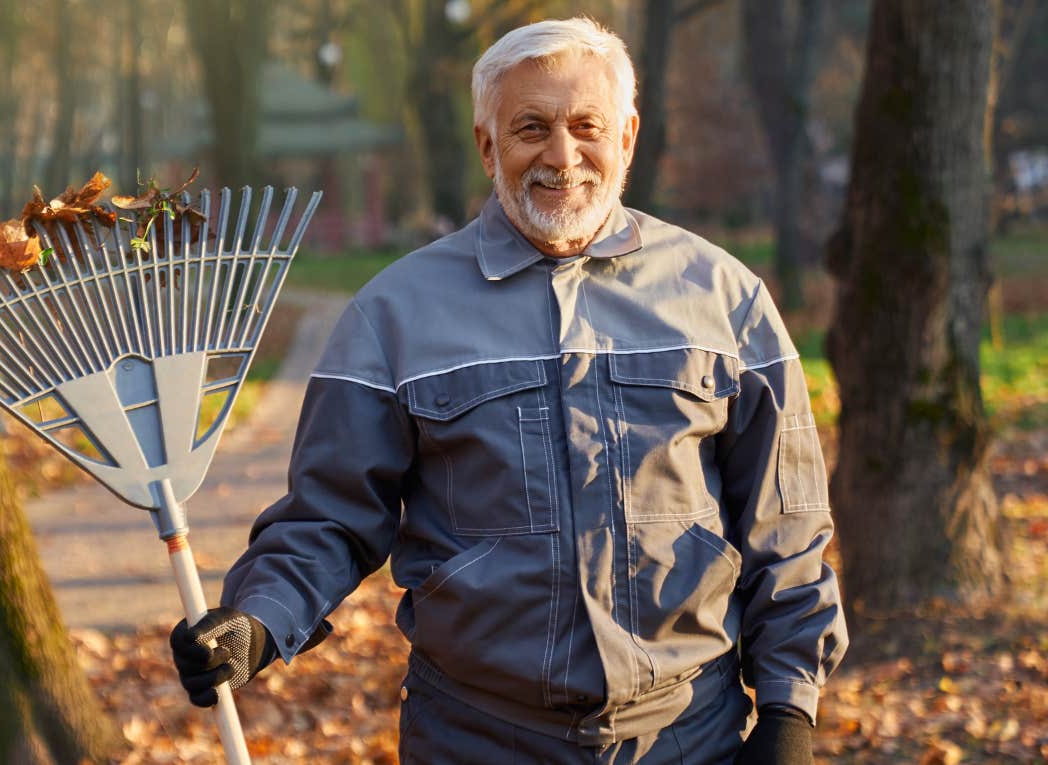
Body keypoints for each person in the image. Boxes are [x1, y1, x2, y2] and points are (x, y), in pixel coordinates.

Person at [170, 17, 847, 764]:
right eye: (531, 127)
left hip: (689, 734)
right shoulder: (392, 316)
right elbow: (329, 516)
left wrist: (789, 711)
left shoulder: (724, 299)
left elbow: (786, 528)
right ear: (488, 145)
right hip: (475, 736)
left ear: (626, 137)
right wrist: (256, 620)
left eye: (586, 126)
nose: (562, 155)